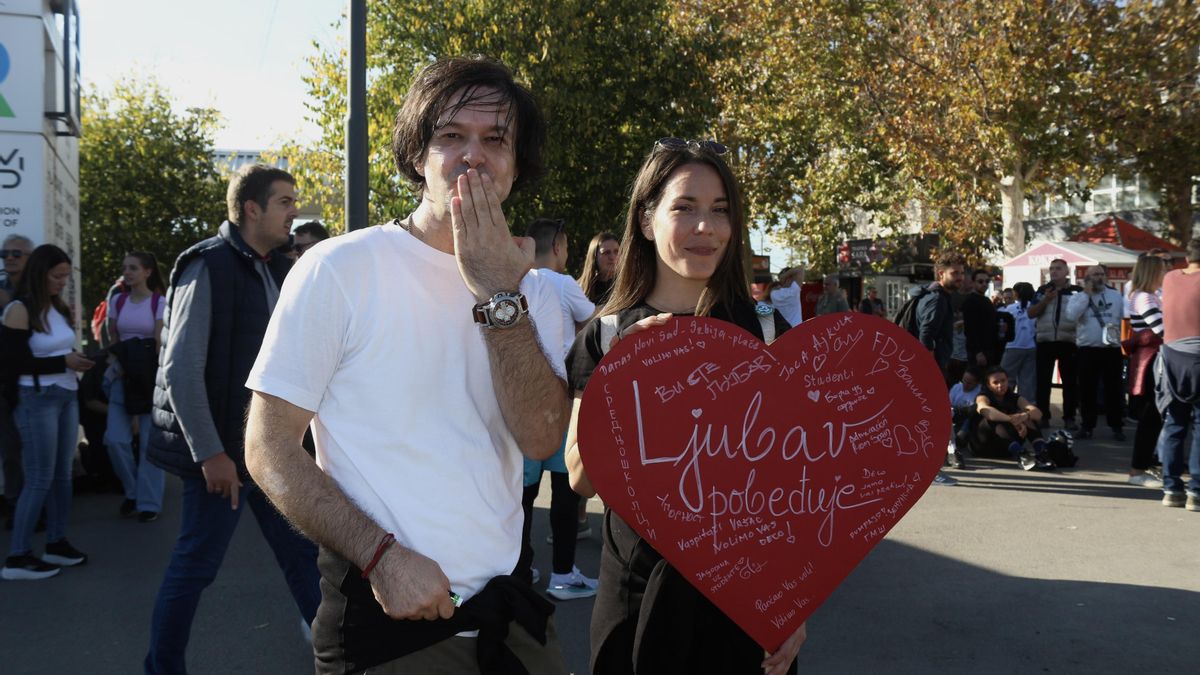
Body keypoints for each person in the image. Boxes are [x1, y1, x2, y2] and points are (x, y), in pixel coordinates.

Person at [242, 57, 572, 673]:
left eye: (496, 139)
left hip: (512, 617)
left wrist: (499, 294)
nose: (474, 155)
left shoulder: (539, 291)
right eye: (451, 136)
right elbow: (267, 447)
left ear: (518, 163)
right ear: (417, 153)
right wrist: (382, 558)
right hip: (388, 623)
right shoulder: (339, 269)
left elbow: (541, 436)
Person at [564, 138, 804, 675]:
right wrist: (623, 378)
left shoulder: (765, 331)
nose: (706, 227)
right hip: (636, 596)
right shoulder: (605, 336)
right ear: (646, 221)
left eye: (720, 211)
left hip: (748, 597)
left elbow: (793, 482)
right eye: (685, 208)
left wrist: (795, 599)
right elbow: (581, 479)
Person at [143, 163, 319, 673]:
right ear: (251, 209)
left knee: (303, 558)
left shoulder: (282, 269)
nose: (293, 212)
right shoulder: (208, 265)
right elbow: (180, 370)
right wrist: (211, 454)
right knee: (195, 567)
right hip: (223, 456)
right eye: (285, 202)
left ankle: (340, 659)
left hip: (273, 451)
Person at [1, 244, 95, 580]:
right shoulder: (19, 309)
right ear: (40, 273)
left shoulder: (55, 307)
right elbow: (12, 363)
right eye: (57, 276)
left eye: (66, 277)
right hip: (36, 398)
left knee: (61, 476)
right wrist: (64, 361)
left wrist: (74, 360)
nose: (62, 282)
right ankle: (18, 556)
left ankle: (56, 542)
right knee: (39, 478)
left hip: (66, 394)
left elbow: (58, 349)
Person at [516, 216, 599, 599]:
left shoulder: (513, 281)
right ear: (560, 247)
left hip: (520, 402)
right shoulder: (563, 283)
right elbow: (594, 325)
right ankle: (563, 575)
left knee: (522, 496)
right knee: (565, 492)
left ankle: (521, 569)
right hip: (561, 401)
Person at [103, 252, 167, 522]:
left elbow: (159, 343)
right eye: (124, 268)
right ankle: (133, 491)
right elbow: (112, 336)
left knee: (150, 445)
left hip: (148, 378)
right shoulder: (117, 301)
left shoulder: (159, 302)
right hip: (122, 376)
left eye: (133, 268)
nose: (127, 273)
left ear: (147, 272)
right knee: (115, 439)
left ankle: (149, 502)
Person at [1156, 238, 1200, 511]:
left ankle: (1171, 489)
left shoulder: (1171, 278)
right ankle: (1196, 491)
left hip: (1171, 358)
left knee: (1175, 422)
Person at [1065, 265, 1125, 441]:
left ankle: (1116, 426)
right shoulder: (1079, 297)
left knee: (1114, 389)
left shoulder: (1115, 295)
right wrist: (1087, 294)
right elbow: (1071, 316)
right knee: (1086, 390)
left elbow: (1120, 316)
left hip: (1111, 349)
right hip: (1087, 349)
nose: (1098, 278)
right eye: (1094, 275)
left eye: (1101, 274)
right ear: (1087, 279)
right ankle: (1087, 425)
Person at [1124, 254, 1167, 487]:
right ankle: (1137, 471)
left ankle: (1142, 467)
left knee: (1154, 417)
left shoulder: (1148, 297)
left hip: (1152, 360)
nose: (1165, 274)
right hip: (1151, 361)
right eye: (1161, 270)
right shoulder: (1145, 298)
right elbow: (1163, 330)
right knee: (1151, 417)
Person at [1, 233, 35, 523]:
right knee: (10, 449)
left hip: (37, 380)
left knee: (36, 450)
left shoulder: (39, 292)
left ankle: (35, 507)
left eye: (16, 254)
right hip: (5, 381)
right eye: (5, 254)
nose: (9, 258)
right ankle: (14, 505)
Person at [1028, 258, 1082, 429]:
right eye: (1051, 268)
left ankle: (1069, 417)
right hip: (1045, 340)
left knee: (1070, 382)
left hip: (1068, 341)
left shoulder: (1076, 292)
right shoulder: (1042, 291)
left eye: (1058, 268)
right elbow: (1031, 313)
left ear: (1067, 271)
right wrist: (1046, 300)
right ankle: (1043, 416)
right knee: (1043, 381)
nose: (1054, 271)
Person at [975, 367, 1052, 470]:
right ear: (989, 386)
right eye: (995, 382)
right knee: (991, 419)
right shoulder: (983, 396)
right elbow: (985, 410)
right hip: (985, 445)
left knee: (1027, 415)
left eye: (1003, 381)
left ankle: (1042, 453)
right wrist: (1012, 420)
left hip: (1008, 446)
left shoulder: (1014, 397)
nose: (1000, 385)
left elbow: (1038, 413)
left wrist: (1023, 416)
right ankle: (1021, 455)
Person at [1000, 282, 1038, 407]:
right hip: (1031, 347)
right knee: (1027, 382)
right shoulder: (1035, 308)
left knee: (1006, 379)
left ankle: (1006, 405)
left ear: (1016, 294)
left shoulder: (1010, 309)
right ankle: (1027, 409)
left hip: (1012, 347)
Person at [962, 269, 998, 366]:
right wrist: (978, 352)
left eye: (987, 281)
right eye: (980, 281)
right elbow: (970, 328)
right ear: (973, 283)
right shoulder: (970, 301)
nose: (984, 284)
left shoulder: (986, 300)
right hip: (978, 352)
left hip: (989, 348)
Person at [579, 232, 620, 305]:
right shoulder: (579, 289)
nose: (612, 257)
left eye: (616, 252)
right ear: (594, 257)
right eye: (606, 253)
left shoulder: (628, 284)